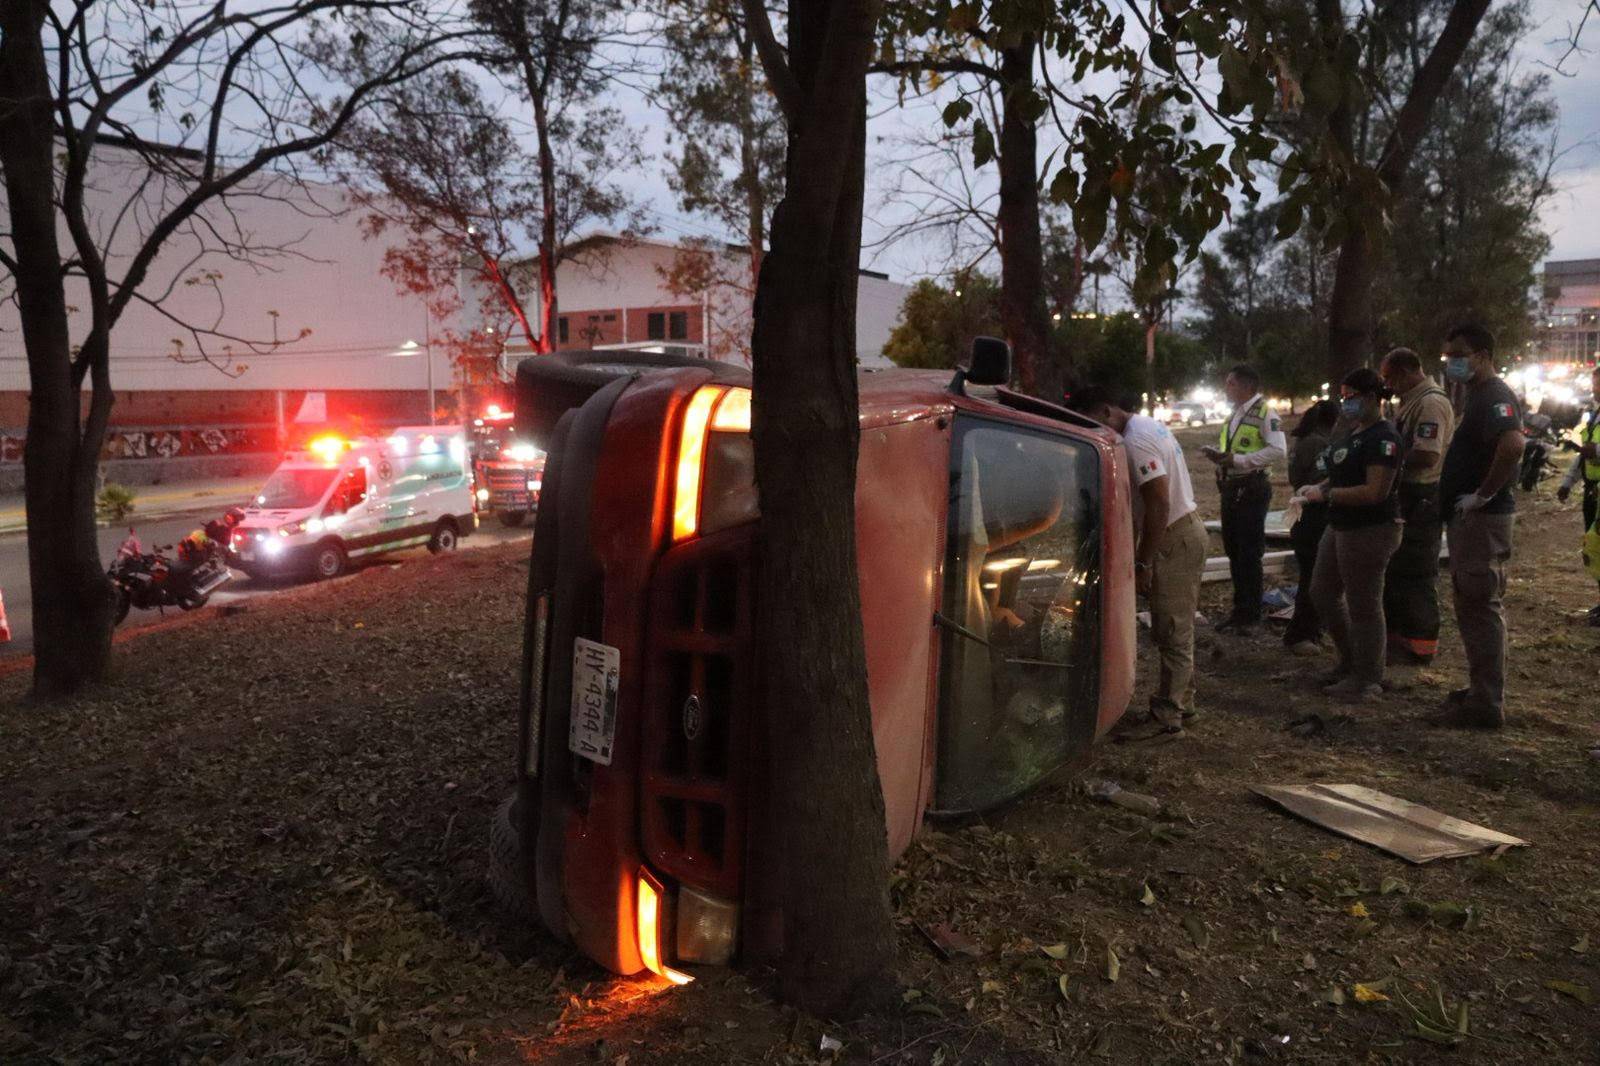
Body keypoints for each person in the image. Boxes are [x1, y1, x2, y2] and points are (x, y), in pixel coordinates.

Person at [1069, 386, 1207, 726]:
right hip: (1177, 531)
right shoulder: (1143, 426)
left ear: (1105, 411)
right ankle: (1182, 703)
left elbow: (1159, 501)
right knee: (1172, 623)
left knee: (1172, 626)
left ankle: (1168, 714)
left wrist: (1144, 561)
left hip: (1175, 535)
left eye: (1091, 423)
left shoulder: (1136, 440)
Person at [1431, 323, 1525, 728]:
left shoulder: (1495, 395)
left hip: (1483, 518)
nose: (1453, 361)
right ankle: (1480, 693)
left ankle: (1486, 704)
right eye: (1448, 356)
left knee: (1480, 605)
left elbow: (1513, 444)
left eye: (1459, 354)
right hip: (1474, 519)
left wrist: (1483, 494)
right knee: (1471, 605)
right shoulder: (1479, 394)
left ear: (1483, 355)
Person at [1295, 368, 1404, 701]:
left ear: (1371, 398)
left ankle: (1368, 677)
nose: (1346, 404)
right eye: (1343, 397)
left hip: (1370, 528)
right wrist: (1321, 486)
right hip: (1342, 524)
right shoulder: (1355, 432)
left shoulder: (1384, 439)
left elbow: (1375, 492)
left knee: (1364, 604)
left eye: (1351, 397)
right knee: (1322, 592)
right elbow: (1340, 473)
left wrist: (1327, 496)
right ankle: (1350, 660)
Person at [1379, 347, 1456, 664]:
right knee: (1398, 570)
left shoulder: (1430, 403)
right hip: (1408, 494)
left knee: (1417, 572)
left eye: (1390, 378)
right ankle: (1400, 639)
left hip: (1421, 495)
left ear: (1406, 371)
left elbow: (1427, 454)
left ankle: (1420, 645)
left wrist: (1386, 461)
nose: (1389, 385)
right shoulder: (1412, 402)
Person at [1200, 365, 1285, 634]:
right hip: (1233, 487)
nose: (1226, 388)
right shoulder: (1236, 413)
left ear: (1246, 386)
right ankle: (1240, 611)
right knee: (1234, 551)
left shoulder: (1264, 413)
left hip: (1251, 487)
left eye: (1231, 383)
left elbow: (1278, 449)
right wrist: (1221, 458)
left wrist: (1240, 461)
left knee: (1249, 553)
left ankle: (1250, 615)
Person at [1284, 399, 1340, 654]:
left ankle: (1305, 631)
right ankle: (1303, 633)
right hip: (1315, 519)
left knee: (1310, 577)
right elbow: (1324, 483)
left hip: (1303, 518)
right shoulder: (1320, 445)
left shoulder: (1304, 441)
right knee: (1315, 580)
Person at [1557, 365, 1600, 625]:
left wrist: (1585, 449)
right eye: (1594, 384)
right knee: (1594, 549)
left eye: (1597, 384)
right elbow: (1583, 455)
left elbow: (1591, 451)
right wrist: (1567, 483)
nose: (1594, 389)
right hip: (1592, 492)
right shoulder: (1594, 415)